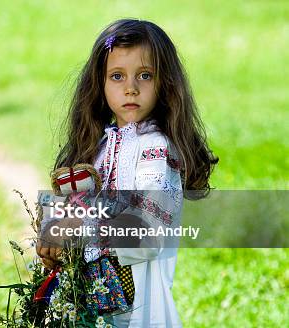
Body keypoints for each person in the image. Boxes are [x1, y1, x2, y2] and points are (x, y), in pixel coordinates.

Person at [36, 19, 218, 327]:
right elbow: (74, 205)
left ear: (165, 84)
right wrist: (54, 234)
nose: (131, 88)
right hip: (90, 300)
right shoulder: (99, 147)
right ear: (100, 84)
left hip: (138, 304)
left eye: (145, 75)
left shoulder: (156, 149)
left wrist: (78, 226)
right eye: (117, 76)